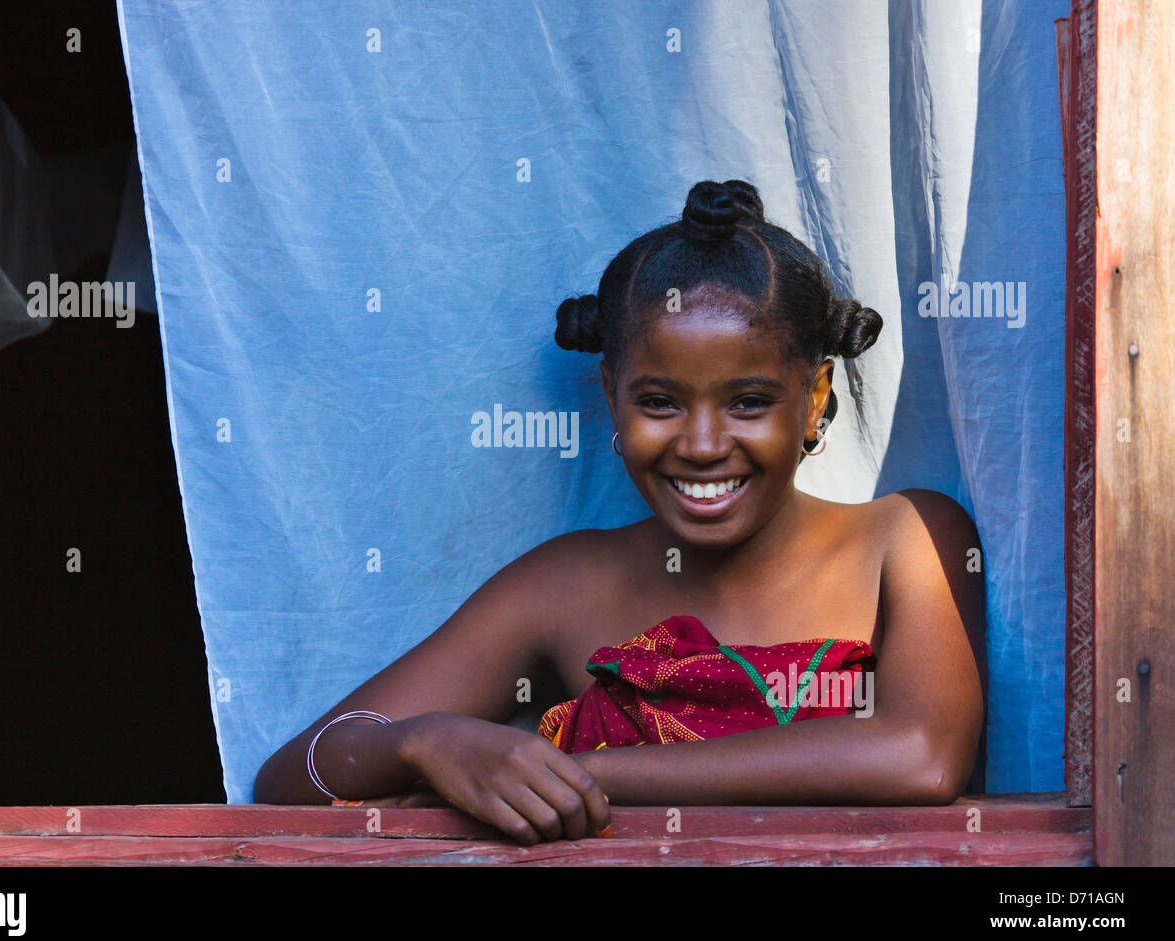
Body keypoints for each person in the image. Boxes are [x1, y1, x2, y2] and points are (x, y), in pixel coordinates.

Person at [253, 179, 986, 846]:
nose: (701, 446)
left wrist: (575, 773)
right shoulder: (566, 583)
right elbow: (288, 784)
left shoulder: (907, 537)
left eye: (750, 402)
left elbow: (920, 757)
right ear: (611, 395)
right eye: (659, 402)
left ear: (816, 397)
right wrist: (427, 744)